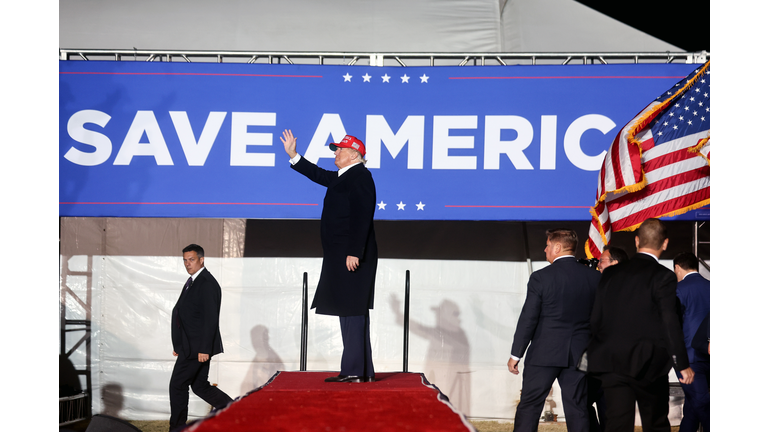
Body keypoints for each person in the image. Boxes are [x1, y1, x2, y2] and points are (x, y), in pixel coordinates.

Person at [281, 129, 378, 383]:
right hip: (341, 254)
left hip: (351, 255)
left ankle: (356, 370)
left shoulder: (361, 177)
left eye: (341, 149)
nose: (336, 153)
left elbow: (362, 216)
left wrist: (354, 251)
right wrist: (294, 156)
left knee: (353, 309)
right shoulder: (345, 176)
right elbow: (319, 175)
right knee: (348, 309)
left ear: (355, 155)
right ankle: (360, 371)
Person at [587, 218, 694, 432]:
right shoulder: (663, 276)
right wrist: (681, 363)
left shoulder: (609, 273)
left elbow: (596, 318)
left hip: (611, 361)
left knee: (616, 424)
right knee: (655, 423)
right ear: (665, 244)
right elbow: (669, 321)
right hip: (649, 364)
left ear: (636, 241)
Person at [508, 229, 600, 432]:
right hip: (580, 354)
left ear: (557, 247)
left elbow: (528, 318)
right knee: (578, 407)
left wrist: (516, 354)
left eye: (548, 245)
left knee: (530, 406)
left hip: (544, 352)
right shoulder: (595, 278)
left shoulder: (541, 278)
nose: (545, 249)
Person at [169, 244, 233, 431]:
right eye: (185, 260)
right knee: (200, 386)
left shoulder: (206, 283)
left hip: (197, 349)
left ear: (201, 259)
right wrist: (178, 344)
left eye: (192, 259)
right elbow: (184, 314)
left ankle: (177, 428)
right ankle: (234, 410)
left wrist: (204, 349)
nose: (187, 264)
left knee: (178, 385)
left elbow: (210, 319)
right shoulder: (193, 282)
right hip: (189, 346)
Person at [589, 245, 627, 432]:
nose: (598, 265)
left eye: (602, 261)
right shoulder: (596, 284)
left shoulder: (628, 288)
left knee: (609, 408)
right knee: (583, 401)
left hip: (615, 361)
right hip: (594, 358)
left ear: (615, 263)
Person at [673, 252, 710, 432]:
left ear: (677, 267)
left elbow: (673, 324)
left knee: (700, 404)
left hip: (689, 357)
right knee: (693, 405)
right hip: (708, 353)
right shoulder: (712, 286)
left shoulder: (678, 289)